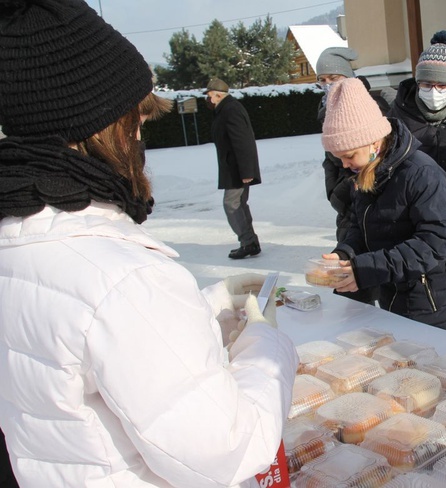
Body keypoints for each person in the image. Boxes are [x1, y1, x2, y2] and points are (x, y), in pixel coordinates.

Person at [0, 1, 298, 486]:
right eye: (135, 118)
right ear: (102, 128)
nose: (142, 134)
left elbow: (79, 358)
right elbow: (224, 449)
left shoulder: (17, 241)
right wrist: (267, 346)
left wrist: (202, 315)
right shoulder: (121, 279)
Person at [319, 78, 446, 331]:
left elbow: (433, 244)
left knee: (427, 366)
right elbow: (360, 223)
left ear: (373, 141)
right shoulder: (369, 170)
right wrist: (345, 254)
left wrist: (364, 270)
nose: (344, 164)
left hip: (430, 298)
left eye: (348, 155)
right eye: (338, 158)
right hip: (393, 287)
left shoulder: (422, 173)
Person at [388, 43, 446, 337]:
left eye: (442, 84)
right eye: (427, 84)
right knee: (422, 308)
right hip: (416, 234)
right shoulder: (396, 121)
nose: (434, 91)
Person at [315, 46, 387, 305]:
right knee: (352, 296)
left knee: (381, 285)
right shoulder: (325, 112)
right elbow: (332, 173)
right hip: (348, 218)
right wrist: (342, 191)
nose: (328, 86)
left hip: (379, 213)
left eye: (334, 79)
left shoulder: (373, 109)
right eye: (322, 81)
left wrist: (362, 182)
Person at [205, 78, 263, 259]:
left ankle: (248, 243)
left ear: (218, 95)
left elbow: (243, 141)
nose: (207, 99)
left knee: (232, 204)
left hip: (237, 169)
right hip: (234, 167)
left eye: (209, 95)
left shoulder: (230, 109)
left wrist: (246, 172)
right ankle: (250, 242)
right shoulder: (226, 109)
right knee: (238, 204)